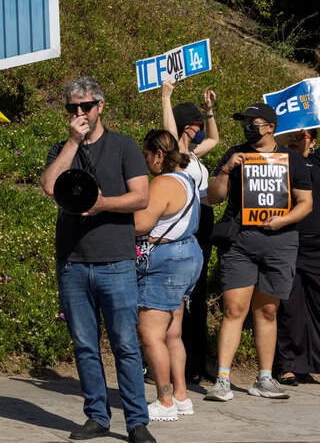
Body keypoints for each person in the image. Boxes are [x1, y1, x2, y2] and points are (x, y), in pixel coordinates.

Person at [40, 76, 154, 443]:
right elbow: (48, 186)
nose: (79, 113)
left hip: (115, 262)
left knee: (125, 344)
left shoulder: (123, 146)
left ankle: (137, 422)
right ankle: (96, 417)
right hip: (73, 262)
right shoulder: (63, 147)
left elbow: (140, 198)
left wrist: (100, 203)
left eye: (85, 106)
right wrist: (73, 142)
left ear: (100, 106)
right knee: (85, 345)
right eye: (72, 108)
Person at [204, 103, 312, 402]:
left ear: (271, 127)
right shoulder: (235, 153)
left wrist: (284, 219)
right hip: (240, 241)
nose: (249, 126)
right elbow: (213, 198)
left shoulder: (291, 159)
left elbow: (306, 202)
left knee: (267, 310)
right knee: (234, 309)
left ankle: (264, 378)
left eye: (255, 121)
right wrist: (226, 170)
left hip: (279, 242)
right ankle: (222, 379)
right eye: (245, 121)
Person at [273, 116, 320, 389]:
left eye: (306, 134)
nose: (301, 136)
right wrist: (292, 135)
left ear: (315, 141)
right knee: (290, 306)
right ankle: (288, 366)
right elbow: (270, 141)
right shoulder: (281, 158)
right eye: (298, 134)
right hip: (289, 239)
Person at [133, 129, 203, 422]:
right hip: (188, 257)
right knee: (173, 333)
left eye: (147, 156)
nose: (145, 162)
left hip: (166, 262)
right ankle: (182, 395)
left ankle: (164, 400)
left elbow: (140, 224)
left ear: (159, 155)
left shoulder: (162, 184)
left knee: (150, 334)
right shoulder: (188, 178)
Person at [159, 81, 220, 384]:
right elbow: (170, 135)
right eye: (196, 123)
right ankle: (176, 360)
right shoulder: (175, 155)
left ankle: (196, 358)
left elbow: (215, 138)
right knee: (182, 295)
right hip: (184, 223)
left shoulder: (195, 153)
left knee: (198, 293)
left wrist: (209, 110)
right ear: (186, 126)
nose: (200, 128)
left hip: (203, 220)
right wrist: (166, 97)